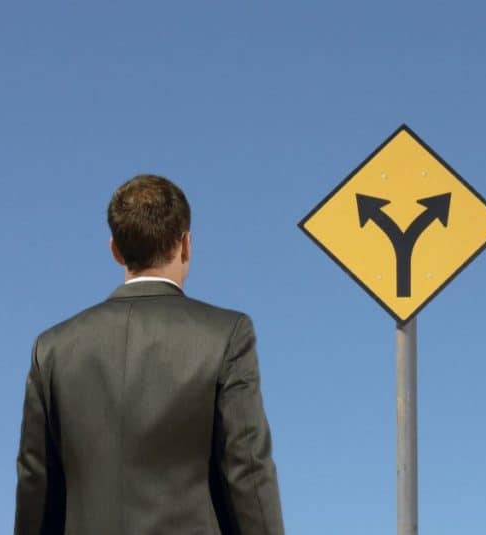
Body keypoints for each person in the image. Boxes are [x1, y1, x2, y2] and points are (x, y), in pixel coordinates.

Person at [14, 174, 285, 534]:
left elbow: (36, 486)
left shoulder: (51, 349)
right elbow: (247, 471)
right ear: (186, 243)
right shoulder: (226, 335)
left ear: (115, 249)